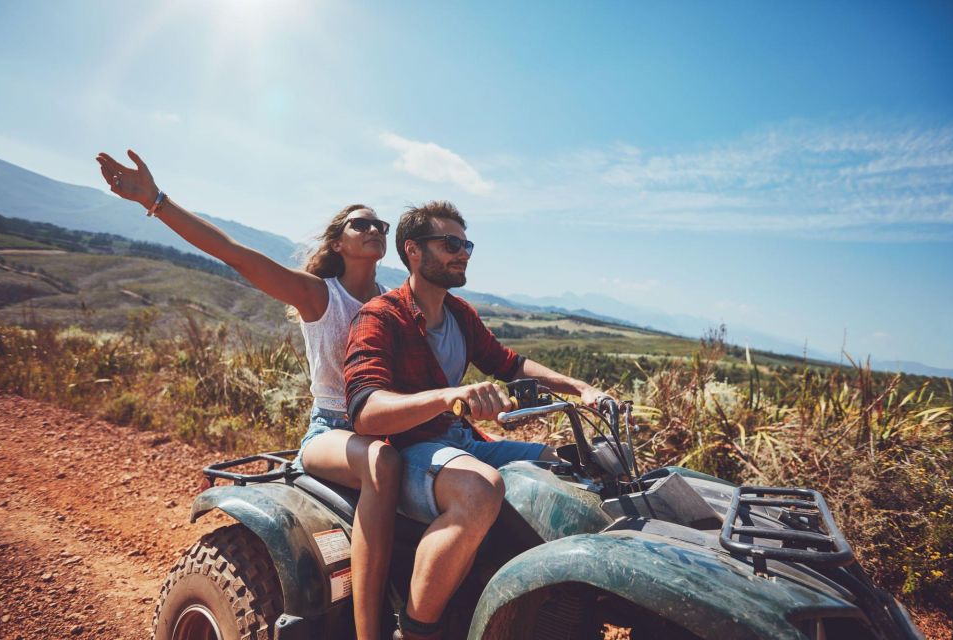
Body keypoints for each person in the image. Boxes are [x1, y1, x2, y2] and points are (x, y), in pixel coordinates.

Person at [95, 150, 399, 640]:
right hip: (335, 430)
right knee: (383, 464)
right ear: (338, 243)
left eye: (381, 224)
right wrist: (155, 200)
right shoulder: (319, 294)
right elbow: (235, 254)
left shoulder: (390, 302)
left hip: (385, 424)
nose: (375, 229)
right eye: (361, 223)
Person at [343, 201, 609, 640]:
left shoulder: (460, 315)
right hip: (407, 447)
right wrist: (449, 396)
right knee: (479, 488)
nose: (462, 252)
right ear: (413, 249)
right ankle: (415, 631)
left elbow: (511, 364)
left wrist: (581, 389)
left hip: (460, 442)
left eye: (466, 244)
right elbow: (366, 412)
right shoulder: (380, 316)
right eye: (450, 243)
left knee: (561, 468)